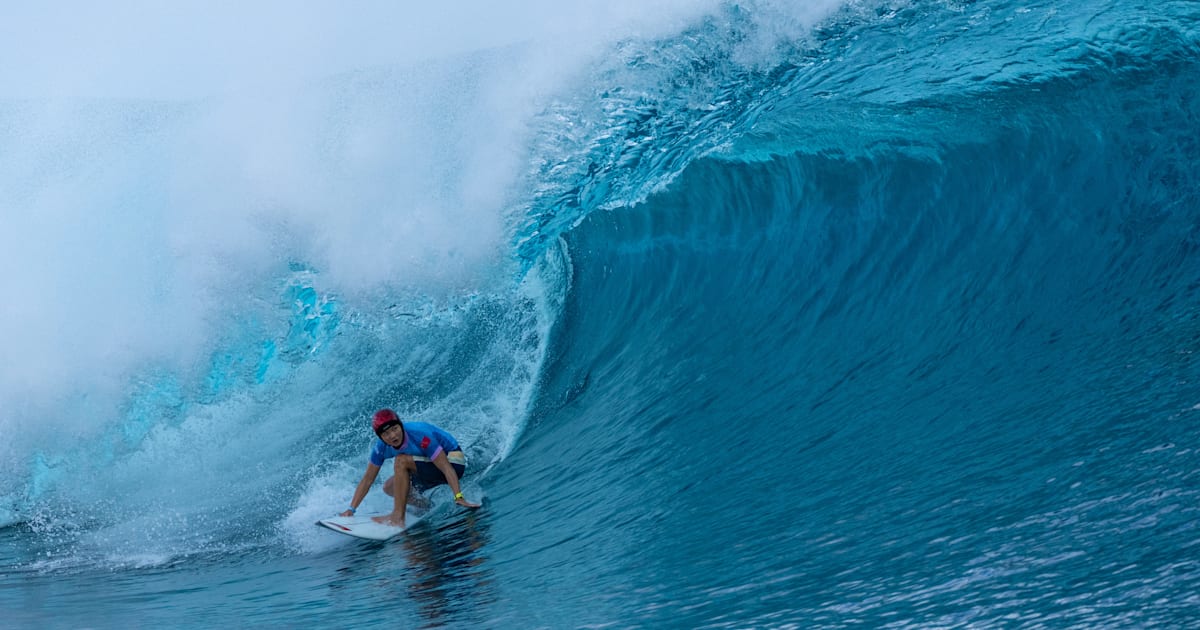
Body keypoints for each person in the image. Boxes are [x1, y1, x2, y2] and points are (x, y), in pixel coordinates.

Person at [341, 409, 480, 527]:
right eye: (386, 434)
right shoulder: (380, 448)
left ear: (401, 425)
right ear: (381, 437)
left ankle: (398, 516)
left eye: (395, 429)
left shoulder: (420, 435)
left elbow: (446, 468)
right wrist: (351, 510)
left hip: (453, 464)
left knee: (401, 461)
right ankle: (427, 505)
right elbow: (367, 479)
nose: (393, 436)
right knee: (389, 487)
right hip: (429, 469)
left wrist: (459, 496)